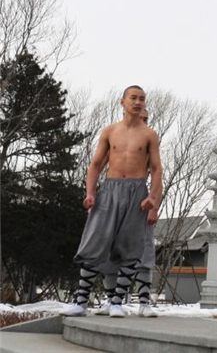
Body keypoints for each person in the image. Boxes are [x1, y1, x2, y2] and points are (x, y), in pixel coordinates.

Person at [61, 85, 163, 317]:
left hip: (136, 191)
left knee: (130, 248)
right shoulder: (109, 131)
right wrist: (90, 193)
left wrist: (152, 197)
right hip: (110, 189)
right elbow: (96, 164)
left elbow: (157, 169)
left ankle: (117, 301)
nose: (138, 102)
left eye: (142, 99)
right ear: (123, 102)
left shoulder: (149, 135)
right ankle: (80, 302)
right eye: (134, 98)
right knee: (94, 242)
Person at [95, 108, 159, 318]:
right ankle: (112, 299)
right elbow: (96, 165)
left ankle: (143, 301)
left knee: (142, 254)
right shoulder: (114, 137)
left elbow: (159, 176)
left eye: (146, 119)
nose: (143, 121)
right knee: (111, 254)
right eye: (141, 118)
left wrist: (154, 207)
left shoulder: (148, 143)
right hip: (113, 202)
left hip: (139, 205)